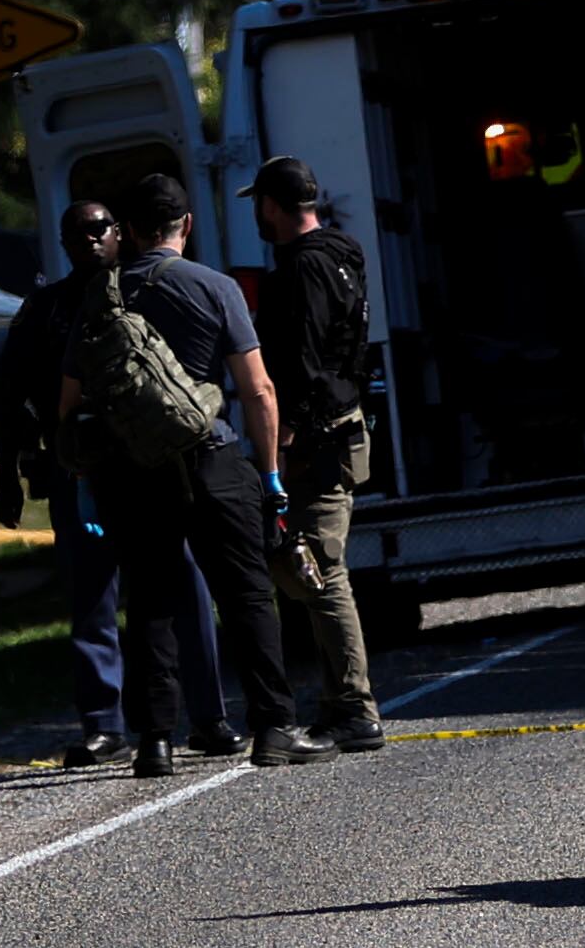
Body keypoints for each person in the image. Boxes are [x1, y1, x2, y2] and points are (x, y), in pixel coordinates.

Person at [59, 173, 307, 774]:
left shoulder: (100, 295)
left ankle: (156, 742)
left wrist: (86, 479)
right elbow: (258, 389)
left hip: (132, 472)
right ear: (185, 226)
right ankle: (273, 728)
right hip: (211, 459)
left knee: (150, 603)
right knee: (247, 593)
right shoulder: (215, 288)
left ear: (131, 232)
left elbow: (71, 404)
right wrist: (270, 473)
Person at [0, 200, 234, 766]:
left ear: (120, 232)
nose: (89, 239)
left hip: (156, 469)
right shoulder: (47, 309)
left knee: (185, 590)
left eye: (99, 228)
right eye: (76, 232)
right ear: (63, 242)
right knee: (92, 599)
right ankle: (104, 724)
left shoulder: (148, 291)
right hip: (83, 473)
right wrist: (8, 477)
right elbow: (9, 397)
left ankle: (209, 715)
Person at [242, 155, 382, 756]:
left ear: (273, 205)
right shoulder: (343, 253)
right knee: (311, 566)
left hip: (316, 439)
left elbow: (297, 366)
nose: (257, 215)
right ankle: (335, 704)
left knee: (321, 573)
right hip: (345, 426)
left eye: (259, 204)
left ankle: (355, 709)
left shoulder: (297, 274)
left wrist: (282, 442)